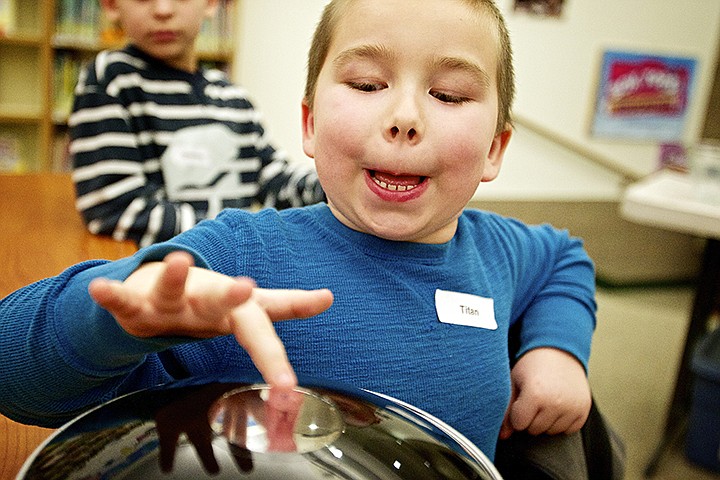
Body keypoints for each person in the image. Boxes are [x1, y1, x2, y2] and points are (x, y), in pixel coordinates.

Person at [0, 0, 597, 462]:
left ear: (495, 149)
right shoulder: (238, 258)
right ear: (309, 124)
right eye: (367, 84)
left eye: (449, 94)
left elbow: (565, 258)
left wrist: (557, 350)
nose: (406, 119)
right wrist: (115, 321)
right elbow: (11, 369)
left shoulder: (500, 247)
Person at [70, 0, 324, 247]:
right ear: (112, 4)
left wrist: (332, 184)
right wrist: (236, 237)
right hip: (169, 276)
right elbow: (113, 209)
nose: (163, 9)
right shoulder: (109, 80)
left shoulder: (232, 97)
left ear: (212, 3)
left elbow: (275, 180)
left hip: (237, 263)